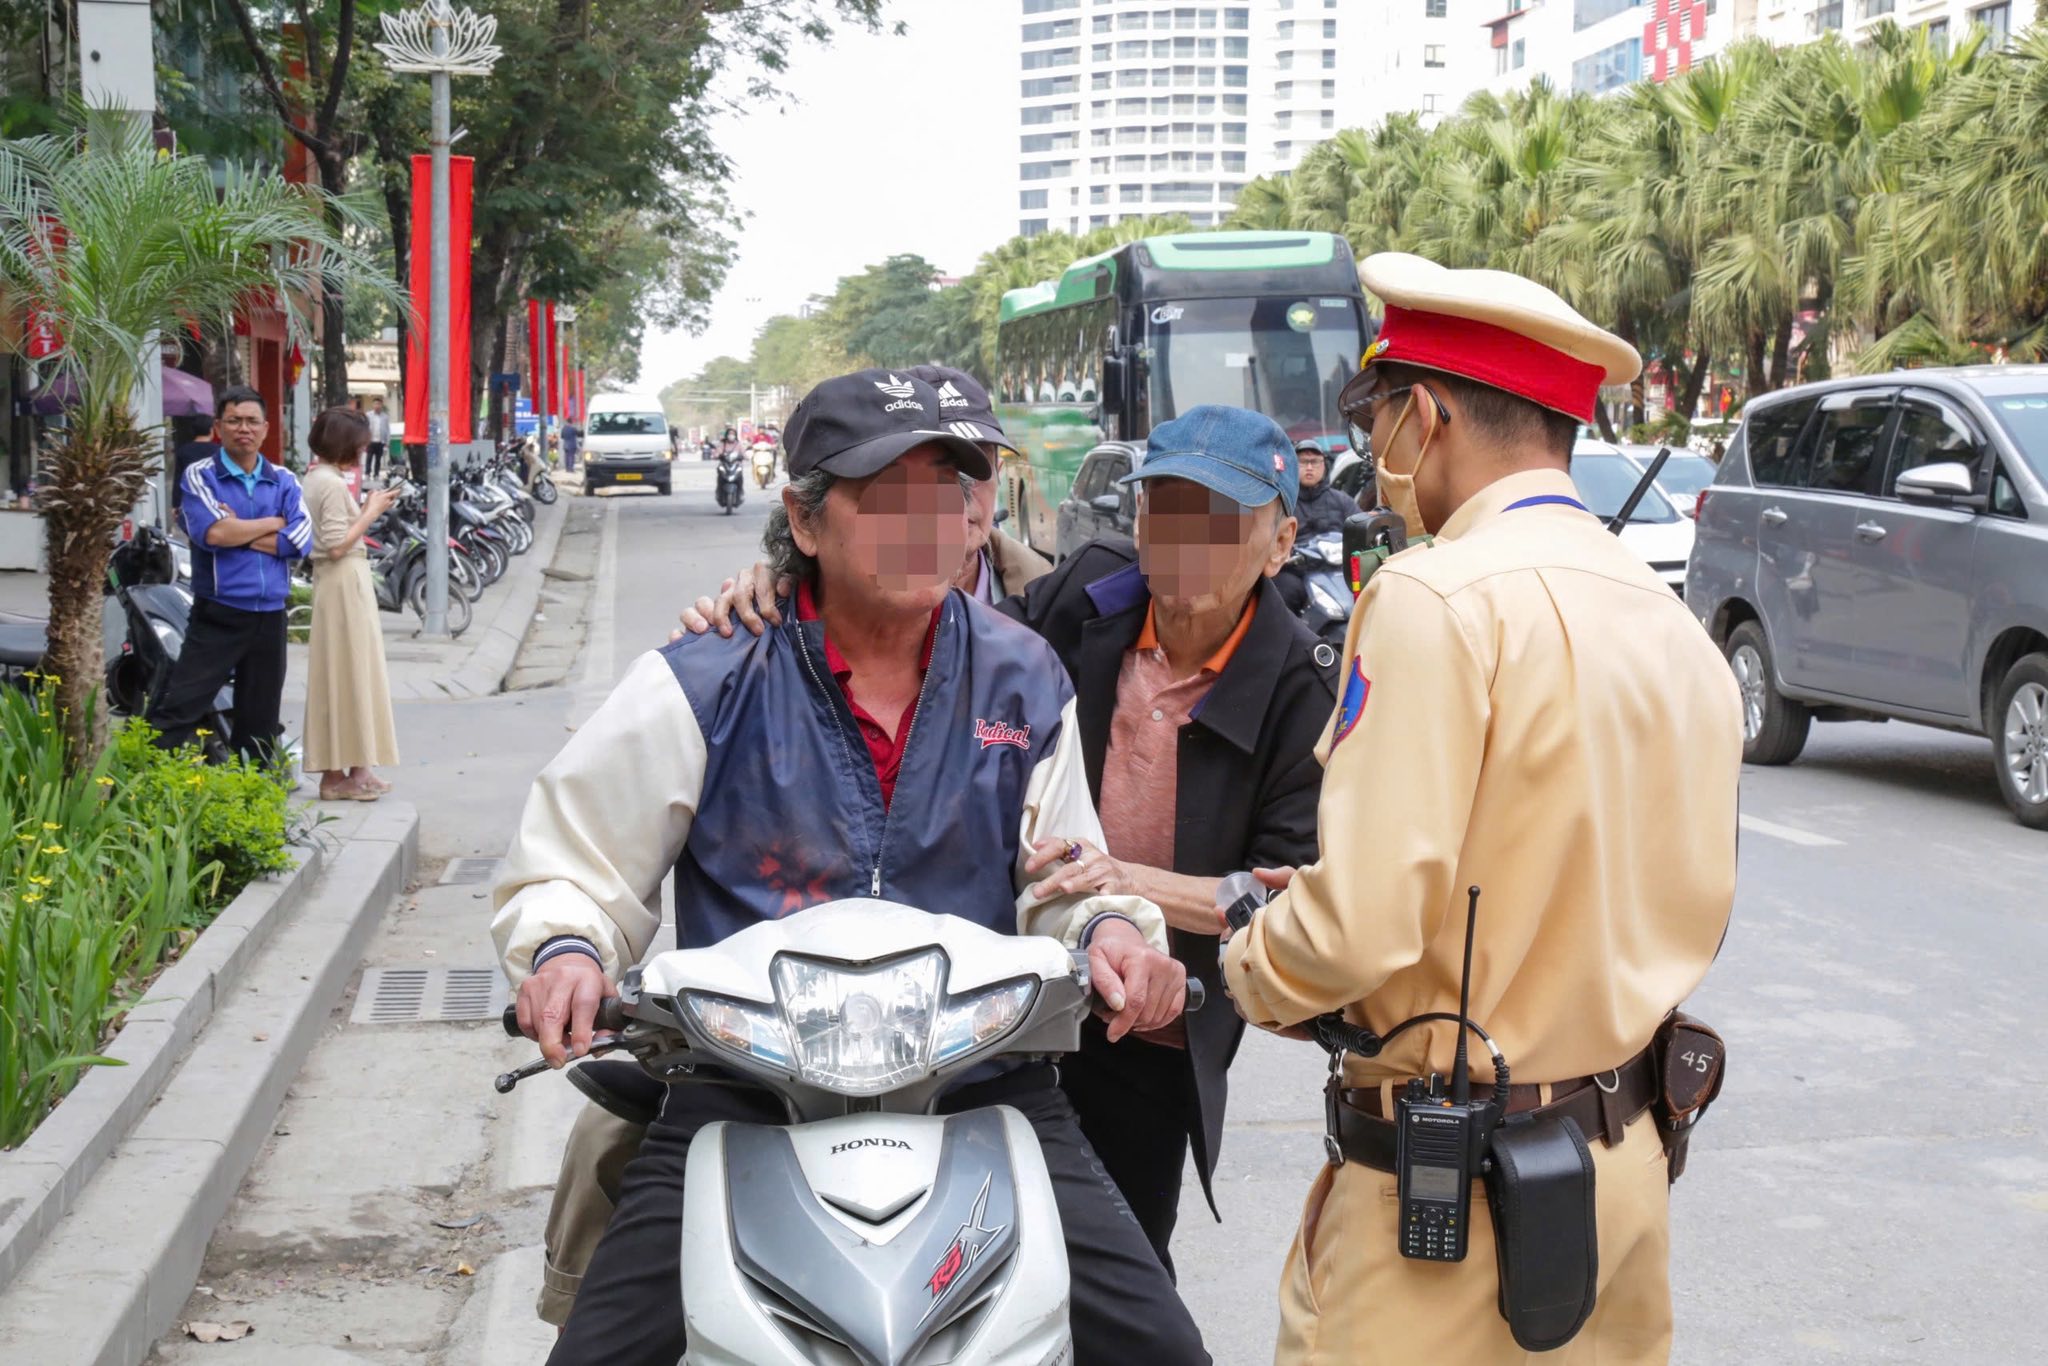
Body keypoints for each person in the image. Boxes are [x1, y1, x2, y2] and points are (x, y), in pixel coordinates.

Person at [495, 369, 1208, 1365]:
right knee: (601, 1349)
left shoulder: (1021, 674)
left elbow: (1065, 873)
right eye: (888, 498)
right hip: (742, 1086)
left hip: (978, 1081)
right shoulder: (705, 675)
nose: (931, 523)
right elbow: (573, 860)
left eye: (954, 494)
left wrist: (1114, 934)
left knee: (1161, 1345)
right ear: (804, 517)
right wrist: (566, 951)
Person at [1219, 253, 1742, 1364]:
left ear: (1426, 413)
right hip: (1622, 1171)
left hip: (1445, 1212)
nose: (1372, 452)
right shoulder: (1669, 622)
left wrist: (1251, 959)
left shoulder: (1430, 595)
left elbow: (1358, 926)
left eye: (1375, 416)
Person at [999, 405, 1335, 1271]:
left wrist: (1124, 880)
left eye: (1220, 521)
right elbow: (970, 646)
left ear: (1281, 541)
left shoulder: (1300, 685)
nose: (1187, 541)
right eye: (1167, 511)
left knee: (1119, 1273)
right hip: (1014, 995)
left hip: (1143, 1027)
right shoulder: (1092, 596)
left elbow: (1280, 894)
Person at [148, 385, 312, 761]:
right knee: (180, 708)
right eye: (234, 420)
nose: (244, 428)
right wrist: (273, 522)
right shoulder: (200, 475)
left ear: (266, 428)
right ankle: (143, 785)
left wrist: (239, 531)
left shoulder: (284, 479)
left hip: (270, 615)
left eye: (252, 421)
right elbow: (214, 532)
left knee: (260, 720)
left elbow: (300, 541)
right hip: (218, 613)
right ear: (219, 427)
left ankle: (253, 800)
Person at [301, 406, 401, 802]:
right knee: (346, 671)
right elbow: (338, 543)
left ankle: (357, 768)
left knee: (354, 671)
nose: (363, 451)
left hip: (342, 582)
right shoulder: (327, 483)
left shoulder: (320, 477)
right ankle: (334, 775)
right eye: (358, 445)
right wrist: (371, 512)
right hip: (342, 580)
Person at [1290, 438, 1359, 539]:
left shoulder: (1342, 501)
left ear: (1324, 466)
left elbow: (1360, 529)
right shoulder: (1285, 504)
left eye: (1315, 462)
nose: (1309, 468)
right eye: (1303, 462)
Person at [168, 415, 220, 519]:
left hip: (190, 498)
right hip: (215, 499)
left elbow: (178, 479)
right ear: (211, 430)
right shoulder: (219, 451)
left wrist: (176, 505)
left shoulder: (183, 451)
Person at [366, 396, 390, 479]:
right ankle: (367, 474)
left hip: (380, 441)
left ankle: (376, 474)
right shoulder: (368, 415)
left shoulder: (385, 417)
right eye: (375, 404)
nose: (377, 406)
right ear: (373, 405)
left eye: (379, 404)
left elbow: (387, 429)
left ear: (381, 405)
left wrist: (387, 443)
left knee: (378, 460)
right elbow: (365, 428)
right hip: (370, 441)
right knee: (369, 458)